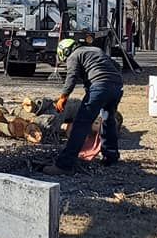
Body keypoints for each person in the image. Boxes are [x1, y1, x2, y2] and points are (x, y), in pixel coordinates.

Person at [43, 38, 123, 174]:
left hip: (99, 86)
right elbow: (116, 66)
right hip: (116, 86)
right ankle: (111, 157)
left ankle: (64, 165)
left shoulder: (74, 56)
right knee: (108, 120)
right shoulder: (95, 50)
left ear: (64, 52)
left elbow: (72, 76)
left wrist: (63, 96)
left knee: (81, 124)